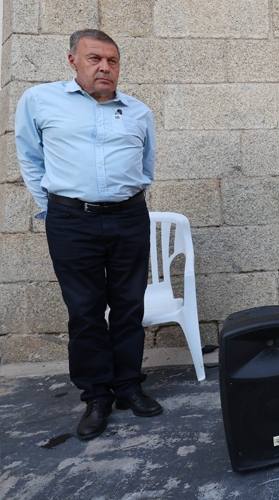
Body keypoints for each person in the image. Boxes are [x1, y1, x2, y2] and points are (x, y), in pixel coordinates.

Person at [15, 29, 161, 441]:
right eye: (95, 59)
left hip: (129, 217)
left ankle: (129, 387)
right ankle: (97, 395)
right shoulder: (40, 101)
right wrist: (54, 206)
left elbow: (146, 167)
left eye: (112, 61)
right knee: (84, 309)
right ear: (72, 60)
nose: (105, 67)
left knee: (130, 304)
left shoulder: (138, 112)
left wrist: (124, 198)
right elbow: (29, 156)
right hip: (71, 220)